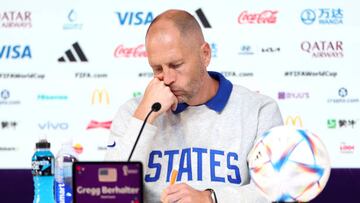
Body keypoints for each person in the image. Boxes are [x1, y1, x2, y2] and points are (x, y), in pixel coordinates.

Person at [105, 9, 283, 203]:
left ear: (205, 54)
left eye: (176, 65)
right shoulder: (133, 113)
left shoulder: (259, 111)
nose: (168, 79)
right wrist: (144, 118)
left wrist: (210, 199)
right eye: (157, 69)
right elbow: (110, 194)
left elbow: (276, 189)